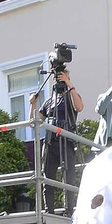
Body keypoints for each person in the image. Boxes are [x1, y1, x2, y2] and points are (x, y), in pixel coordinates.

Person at [31, 69, 84, 214]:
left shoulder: (71, 96)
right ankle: (49, 209)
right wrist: (33, 105)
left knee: (69, 177)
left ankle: (69, 209)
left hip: (67, 140)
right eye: (57, 77)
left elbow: (79, 107)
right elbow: (34, 122)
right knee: (48, 176)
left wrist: (68, 83)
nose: (59, 80)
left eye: (62, 76)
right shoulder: (50, 101)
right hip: (51, 142)